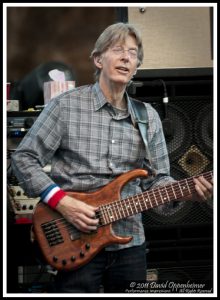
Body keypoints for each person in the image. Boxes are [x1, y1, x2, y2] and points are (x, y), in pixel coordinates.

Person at [11, 22, 213, 293]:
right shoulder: (65, 106)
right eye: (118, 49)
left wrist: (184, 193)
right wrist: (62, 202)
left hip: (130, 247)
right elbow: (23, 159)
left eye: (133, 53)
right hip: (72, 237)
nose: (126, 57)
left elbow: (157, 181)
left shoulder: (148, 117)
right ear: (98, 59)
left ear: (136, 67)